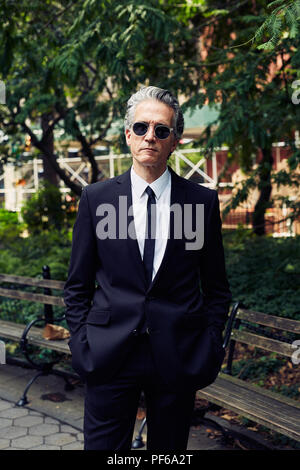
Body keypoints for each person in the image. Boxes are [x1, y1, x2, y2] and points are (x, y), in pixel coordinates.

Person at [64, 86, 232, 451]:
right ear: (128, 135)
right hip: (109, 354)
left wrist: (210, 344)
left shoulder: (201, 202)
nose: (149, 137)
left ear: (175, 140)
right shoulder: (97, 198)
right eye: (141, 127)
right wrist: (81, 344)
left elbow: (217, 287)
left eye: (161, 130)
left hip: (178, 355)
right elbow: (77, 284)